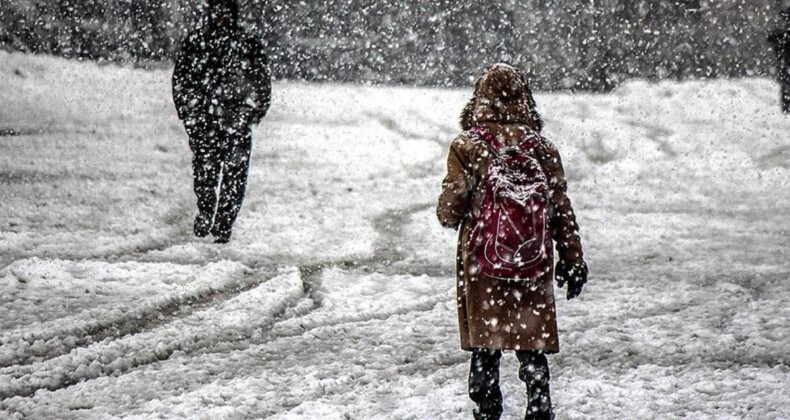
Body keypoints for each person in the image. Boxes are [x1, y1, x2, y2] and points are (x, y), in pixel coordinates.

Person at [437, 63, 588, 420]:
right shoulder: (542, 149)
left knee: (485, 344)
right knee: (529, 340)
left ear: (478, 100)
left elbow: (450, 210)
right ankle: (539, 404)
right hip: (532, 263)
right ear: (526, 100)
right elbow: (560, 209)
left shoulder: (467, 147)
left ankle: (487, 408)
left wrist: (457, 207)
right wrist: (573, 258)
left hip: (483, 261)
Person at [172, 0, 271, 243]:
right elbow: (181, 82)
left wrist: (252, 114)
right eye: (217, 13)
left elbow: (261, 83)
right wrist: (190, 115)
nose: (220, 19)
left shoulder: (246, 44)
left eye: (225, 14)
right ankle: (207, 212)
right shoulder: (198, 43)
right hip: (206, 121)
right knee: (206, 172)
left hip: (235, 121)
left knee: (233, 178)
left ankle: (223, 225)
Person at [769, 8, 790, 113]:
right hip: (785, 64)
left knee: (786, 85)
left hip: (785, 64)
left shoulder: (782, 34)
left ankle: (787, 106)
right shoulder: (782, 34)